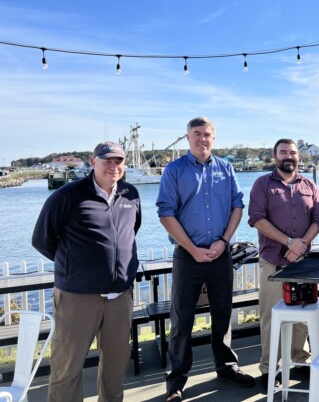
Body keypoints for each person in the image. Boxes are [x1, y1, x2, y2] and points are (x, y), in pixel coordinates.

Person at [32, 141, 141, 402]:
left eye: (118, 161)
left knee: (116, 362)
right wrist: (76, 266)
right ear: (93, 162)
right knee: (67, 365)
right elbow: (41, 240)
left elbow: (130, 232)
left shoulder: (131, 194)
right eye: (107, 161)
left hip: (119, 295)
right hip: (77, 297)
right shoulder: (67, 196)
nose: (113, 166)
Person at [157, 117, 254, 402]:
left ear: (214, 138)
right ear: (187, 137)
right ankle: (175, 382)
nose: (202, 139)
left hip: (220, 254)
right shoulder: (174, 170)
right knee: (182, 319)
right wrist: (193, 248)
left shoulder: (226, 167)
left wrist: (223, 241)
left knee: (223, 314)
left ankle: (226, 367)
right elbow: (165, 212)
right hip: (188, 256)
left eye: (207, 134)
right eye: (196, 134)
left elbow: (237, 205)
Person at [248, 138, 319, 389]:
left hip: (302, 262)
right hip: (273, 261)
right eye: (283, 152)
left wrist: (301, 243)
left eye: (292, 152)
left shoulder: (309, 184)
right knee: (272, 317)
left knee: (303, 316)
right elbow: (257, 219)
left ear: (298, 157)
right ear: (274, 157)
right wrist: (289, 242)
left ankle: (299, 361)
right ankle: (269, 369)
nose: (288, 156)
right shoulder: (262, 185)